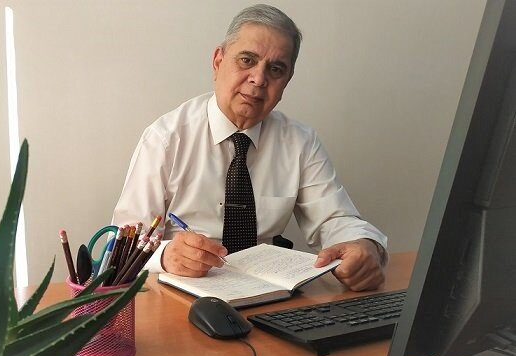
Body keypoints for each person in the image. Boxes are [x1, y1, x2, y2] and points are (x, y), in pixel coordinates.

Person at [112, 4, 387, 291]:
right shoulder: (166, 139)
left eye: (276, 69)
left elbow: (335, 219)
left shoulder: (300, 142)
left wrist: (365, 245)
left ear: (287, 80)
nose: (259, 79)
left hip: (269, 293)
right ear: (218, 61)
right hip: (182, 293)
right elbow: (120, 245)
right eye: (247, 60)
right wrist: (166, 255)